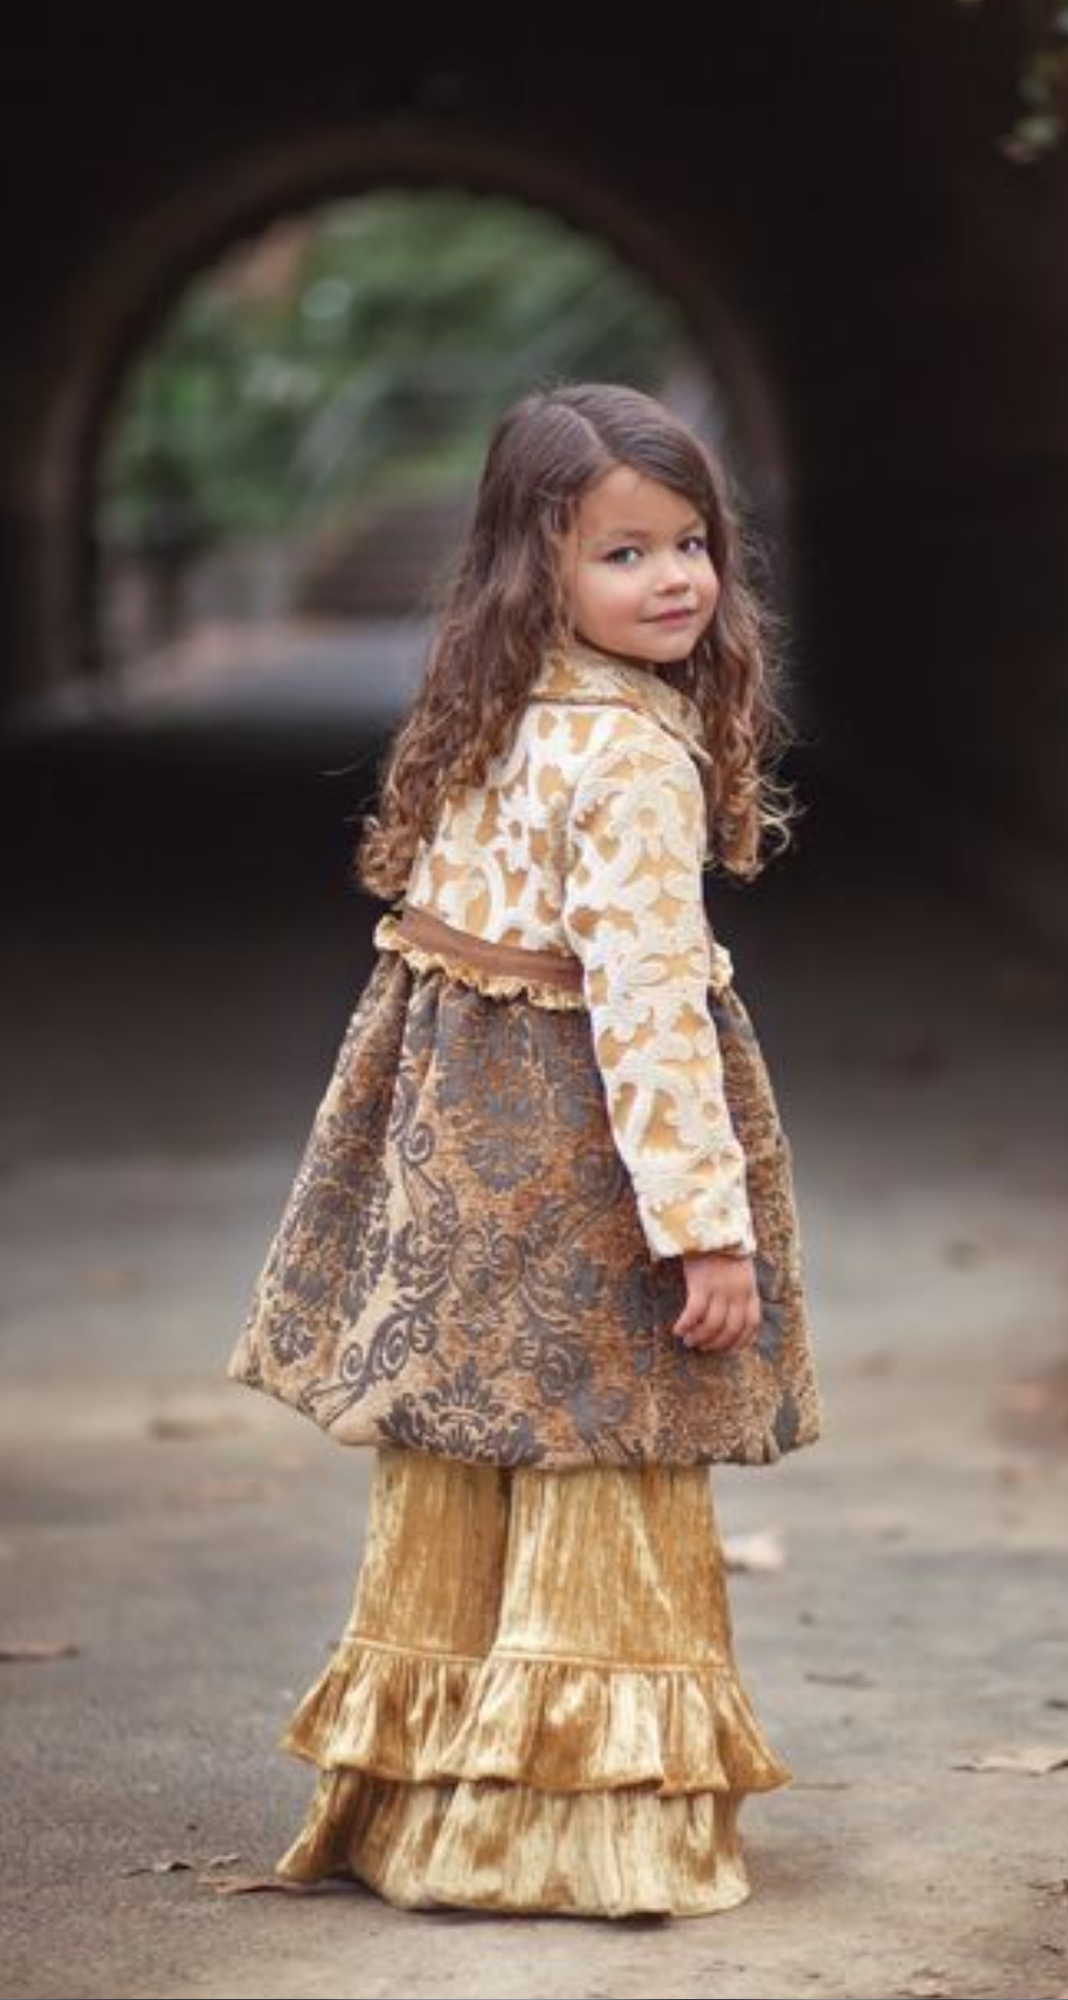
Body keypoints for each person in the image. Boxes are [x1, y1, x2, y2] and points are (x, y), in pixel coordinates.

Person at [224, 380, 822, 1919]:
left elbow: (433, 951)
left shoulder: (492, 711)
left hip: (456, 1153)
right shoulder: (627, 753)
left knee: (470, 1449)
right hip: (584, 1162)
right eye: (624, 554)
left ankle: (429, 1816)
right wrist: (704, 1224)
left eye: (691, 543)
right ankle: (580, 1831)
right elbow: (647, 1009)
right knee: (606, 1440)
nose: (675, 578)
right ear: (533, 564)